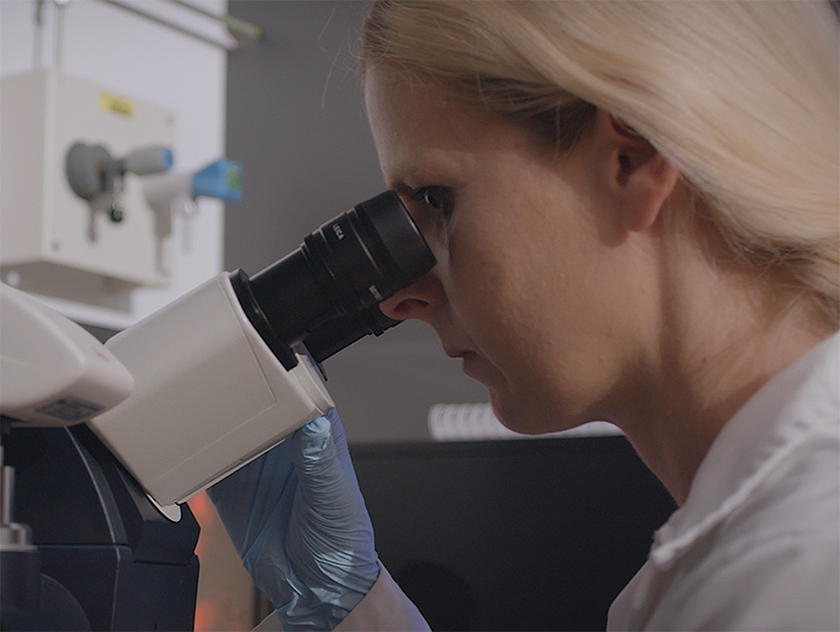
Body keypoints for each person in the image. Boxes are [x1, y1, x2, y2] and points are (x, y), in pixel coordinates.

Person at [208, 1, 840, 630]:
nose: (398, 297)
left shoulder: (799, 566)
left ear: (632, 161)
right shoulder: (749, 554)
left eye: (436, 201)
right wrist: (349, 608)